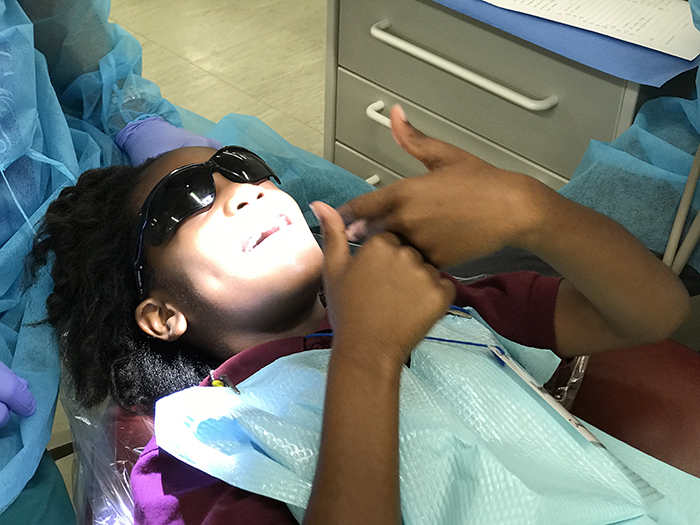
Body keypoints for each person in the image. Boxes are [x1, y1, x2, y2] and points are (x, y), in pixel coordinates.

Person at [29, 104, 690, 524]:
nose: (242, 191)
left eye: (241, 166)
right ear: (162, 314)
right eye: (189, 196)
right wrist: (368, 352)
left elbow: (654, 311)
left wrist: (532, 211)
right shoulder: (200, 456)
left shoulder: (432, 300)